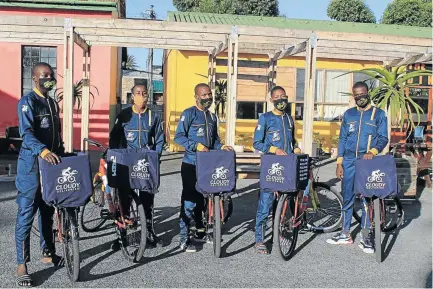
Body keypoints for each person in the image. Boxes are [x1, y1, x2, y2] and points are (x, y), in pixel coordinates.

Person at [15, 62, 63, 287]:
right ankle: (22, 264)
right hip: (31, 167)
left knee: (47, 211)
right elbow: (26, 133)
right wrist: (43, 151)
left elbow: (56, 135)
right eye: (45, 76)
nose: (49, 79)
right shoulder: (27, 103)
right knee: (26, 214)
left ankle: (48, 252)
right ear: (35, 79)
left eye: (51, 75)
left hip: (50, 167)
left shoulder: (52, 103)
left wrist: (63, 154)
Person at [326, 81, 388, 254]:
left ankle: (366, 236)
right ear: (353, 96)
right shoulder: (349, 115)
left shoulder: (379, 114)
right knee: (347, 197)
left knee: (367, 199)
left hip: (367, 161)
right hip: (348, 161)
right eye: (357, 95)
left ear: (368, 93)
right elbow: (343, 139)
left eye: (362, 94)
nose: (360, 97)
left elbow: (383, 138)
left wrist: (373, 151)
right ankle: (345, 233)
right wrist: (339, 162)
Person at [174, 83, 233, 252]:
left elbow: (214, 140)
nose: (208, 98)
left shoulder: (212, 117)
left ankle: (201, 232)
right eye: (204, 95)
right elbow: (178, 137)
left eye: (209, 95)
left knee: (203, 200)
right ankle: (184, 238)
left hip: (208, 164)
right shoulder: (189, 114)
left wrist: (221, 147)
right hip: (191, 164)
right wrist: (196, 146)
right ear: (196, 97)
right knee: (189, 201)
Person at [109, 84, 165, 248]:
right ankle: (121, 236)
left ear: (148, 96)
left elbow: (160, 139)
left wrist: (156, 155)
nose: (142, 96)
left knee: (148, 199)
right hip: (127, 163)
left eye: (144, 93)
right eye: (138, 93)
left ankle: (149, 233)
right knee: (124, 200)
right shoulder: (124, 115)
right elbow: (114, 138)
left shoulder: (153, 116)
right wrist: (116, 155)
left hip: (146, 162)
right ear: (132, 96)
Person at [252, 86, 301, 254]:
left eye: (283, 96)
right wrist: (274, 150)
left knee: (286, 201)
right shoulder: (265, 118)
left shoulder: (289, 119)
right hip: (271, 166)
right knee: (265, 205)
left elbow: (292, 141)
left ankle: (279, 233)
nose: (281, 99)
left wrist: (296, 149)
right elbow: (257, 143)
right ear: (271, 100)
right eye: (277, 97)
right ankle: (259, 240)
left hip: (288, 166)